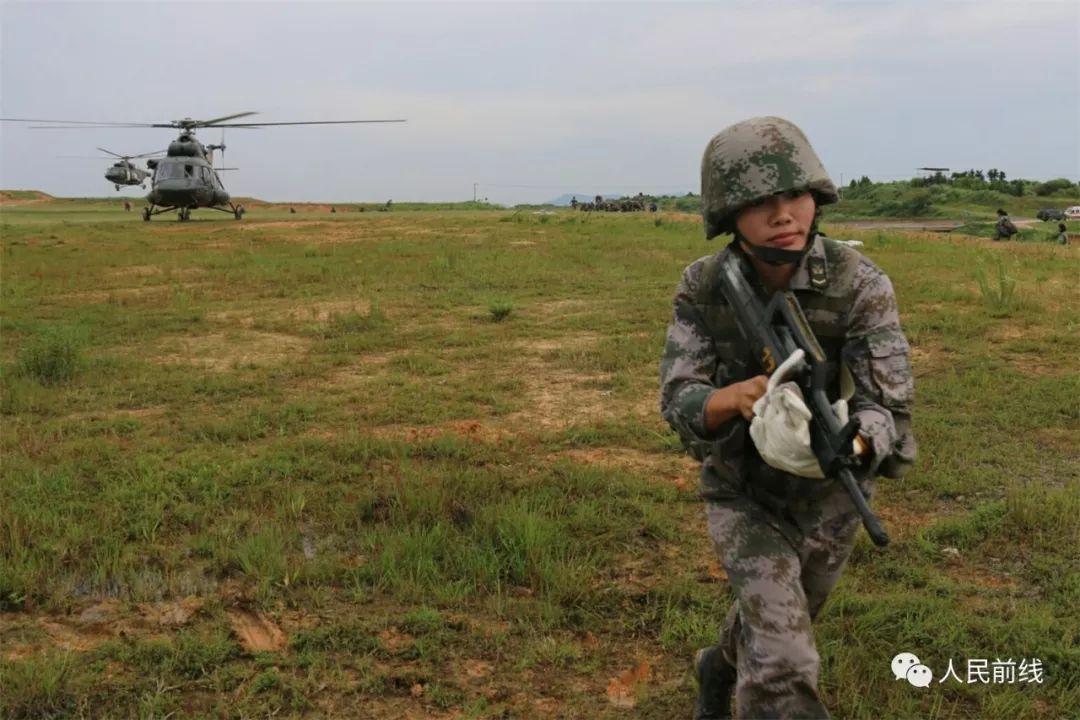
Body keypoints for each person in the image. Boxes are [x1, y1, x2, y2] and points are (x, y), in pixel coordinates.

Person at [659, 116, 917, 719]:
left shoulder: (859, 285)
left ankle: (716, 666)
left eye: (795, 195)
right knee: (784, 661)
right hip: (741, 489)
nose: (784, 215)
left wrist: (854, 444)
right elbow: (679, 399)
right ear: (729, 215)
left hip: (830, 493)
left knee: (781, 621)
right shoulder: (703, 287)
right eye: (761, 202)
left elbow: (889, 408)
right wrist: (734, 399)